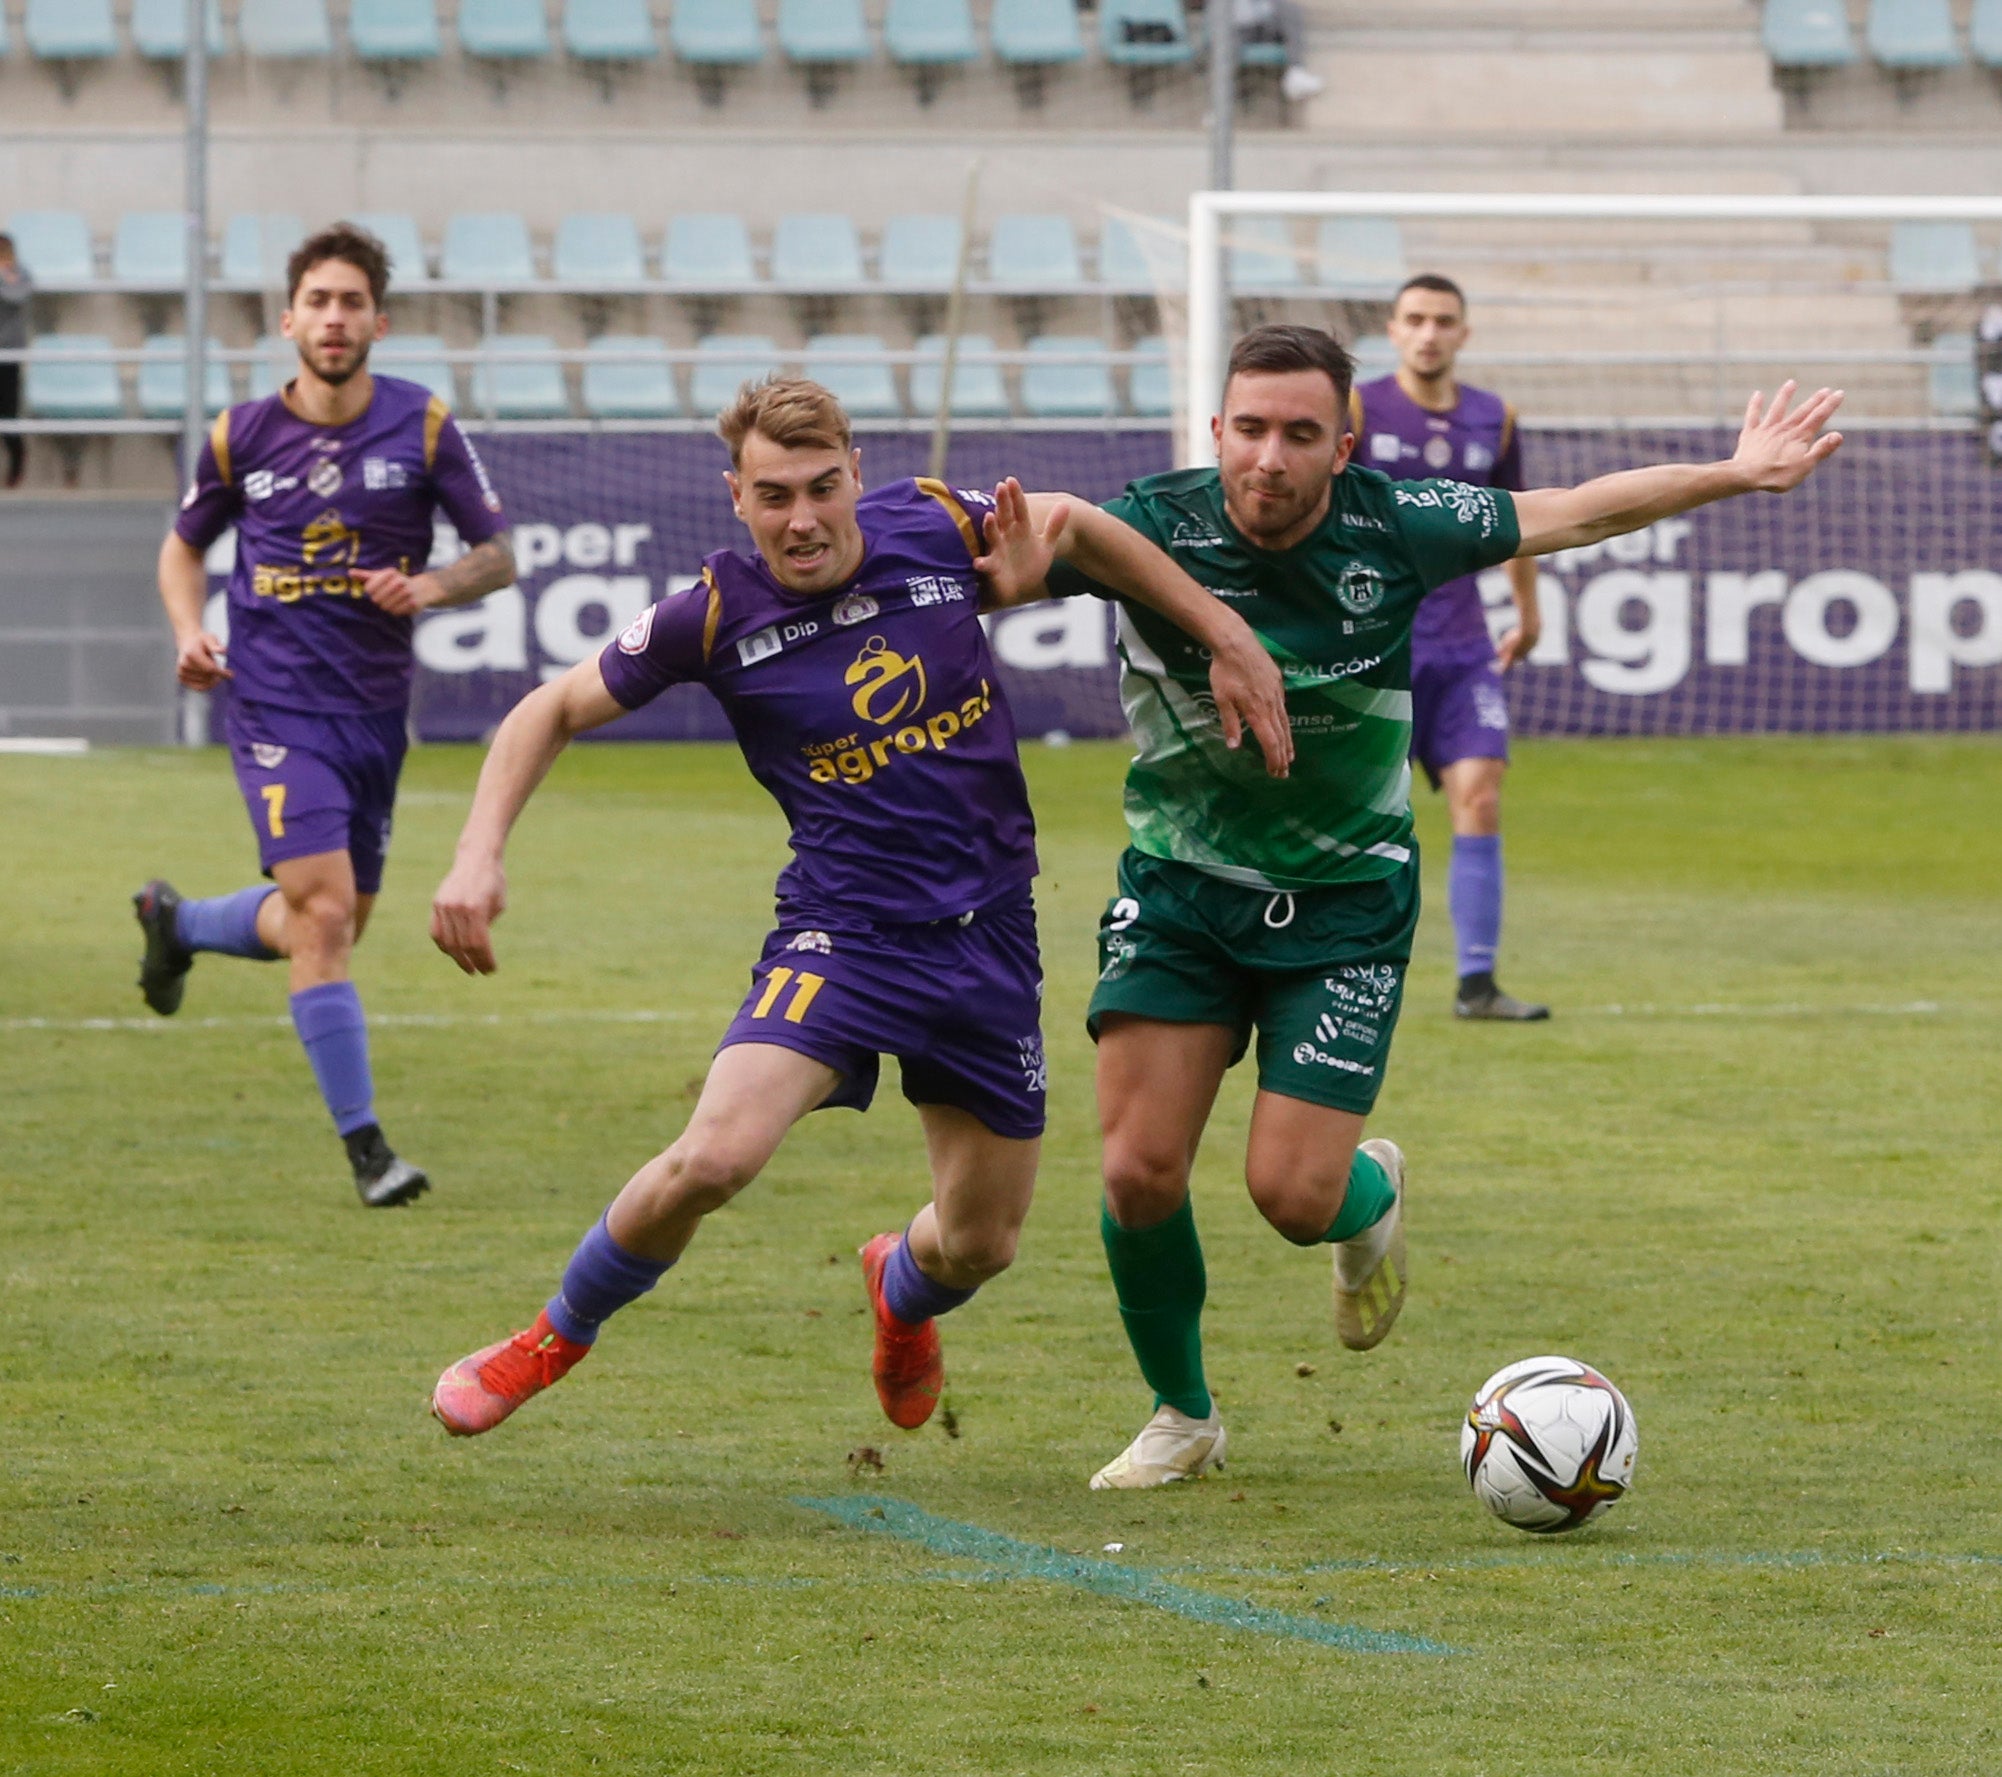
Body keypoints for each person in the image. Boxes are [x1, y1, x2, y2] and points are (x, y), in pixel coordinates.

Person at [1046, 323, 1840, 1488]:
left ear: (1344, 441)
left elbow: (1573, 510)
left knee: (1291, 1194)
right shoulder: (1148, 526)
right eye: (1249, 429)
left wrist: (1732, 470)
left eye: (1300, 434)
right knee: (1136, 1171)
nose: (1269, 457)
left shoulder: (1396, 522)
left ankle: (1370, 1194)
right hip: (1181, 890)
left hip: (1346, 902)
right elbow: (999, 553)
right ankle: (1183, 1413)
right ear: (1215, 431)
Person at [424, 375, 1292, 1441]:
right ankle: (550, 1337)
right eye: (774, 495)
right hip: (845, 936)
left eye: (821, 487)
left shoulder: (931, 528)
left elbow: (1073, 524)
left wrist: (1226, 638)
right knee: (716, 1156)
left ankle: (899, 1291)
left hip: (989, 940)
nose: (802, 520)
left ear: (856, 475)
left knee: (979, 1244)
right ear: (735, 498)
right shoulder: (710, 616)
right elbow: (547, 707)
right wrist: (476, 855)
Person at [133, 221, 517, 1206]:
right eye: (319, 301)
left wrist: (427, 588)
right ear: (287, 319)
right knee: (327, 912)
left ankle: (176, 922)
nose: (334, 318)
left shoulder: (423, 425)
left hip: (374, 714)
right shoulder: (241, 435)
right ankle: (368, 1152)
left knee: (326, 926)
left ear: (377, 321)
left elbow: (498, 554)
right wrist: (189, 629)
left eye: (352, 302)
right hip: (271, 703)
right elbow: (183, 547)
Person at [1352, 273, 1546, 1020]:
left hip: (1464, 645)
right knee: (1367, 814)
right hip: (1374, 643)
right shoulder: (1359, 408)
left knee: (1481, 793)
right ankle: (1349, 965)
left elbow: (1521, 520)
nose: (1429, 332)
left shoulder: (1494, 419)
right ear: (1393, 330)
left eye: (1443, 320)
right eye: (1415, 319)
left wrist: (1527, 614)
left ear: (1464, 333)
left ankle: (1476, 983)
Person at [0, 233, 32, 490]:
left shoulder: (20, 274)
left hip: (8, 353)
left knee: (8, 412)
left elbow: (17, 295)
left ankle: (16, 461)